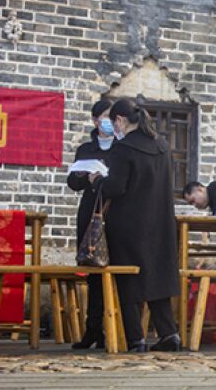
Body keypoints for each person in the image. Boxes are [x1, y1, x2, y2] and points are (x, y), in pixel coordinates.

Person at [95, 98, 182, 352]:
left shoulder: (123, 149)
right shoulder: (163, 146)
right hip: (161, 222)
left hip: (129, 223)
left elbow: (116, 187)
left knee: (128, 279)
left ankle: (136, 339)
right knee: (157, 279)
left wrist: (98, 179)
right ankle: (169, 334)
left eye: (114, 122)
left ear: (120, 121)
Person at [67, 97, 114, 349]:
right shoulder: (86, 149)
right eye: (104, 117)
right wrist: (87, 176)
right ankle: (93, 329)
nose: (108, 122)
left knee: (113, 268)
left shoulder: (121, 147)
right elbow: (72, 183)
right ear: (95, 120)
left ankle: (115, 328)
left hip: (113, 210)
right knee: (93, 269)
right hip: (90, 211)